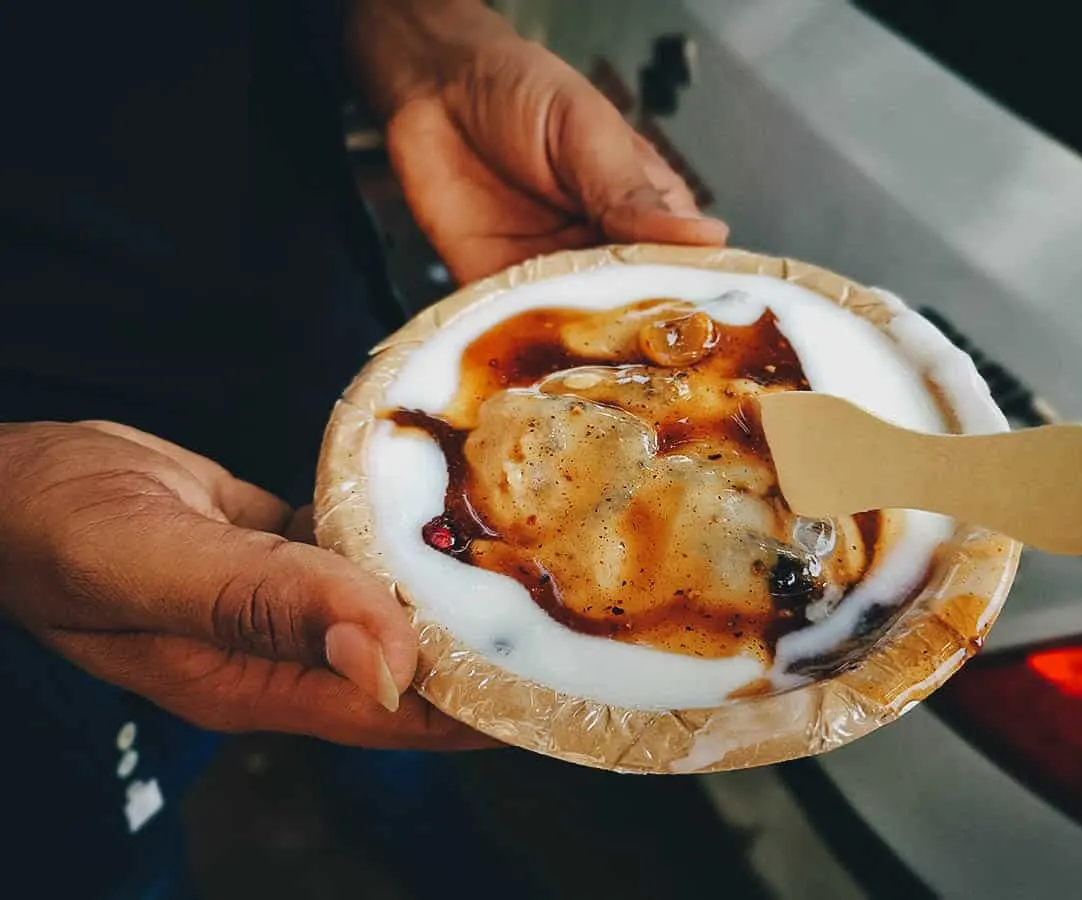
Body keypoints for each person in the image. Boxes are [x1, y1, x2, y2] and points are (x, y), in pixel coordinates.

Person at [0, 0, 728, 896]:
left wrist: (429, 42)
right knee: (97, 856)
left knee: (385, 688)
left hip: (322, 348)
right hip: (35, 510)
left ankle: (406, 824)